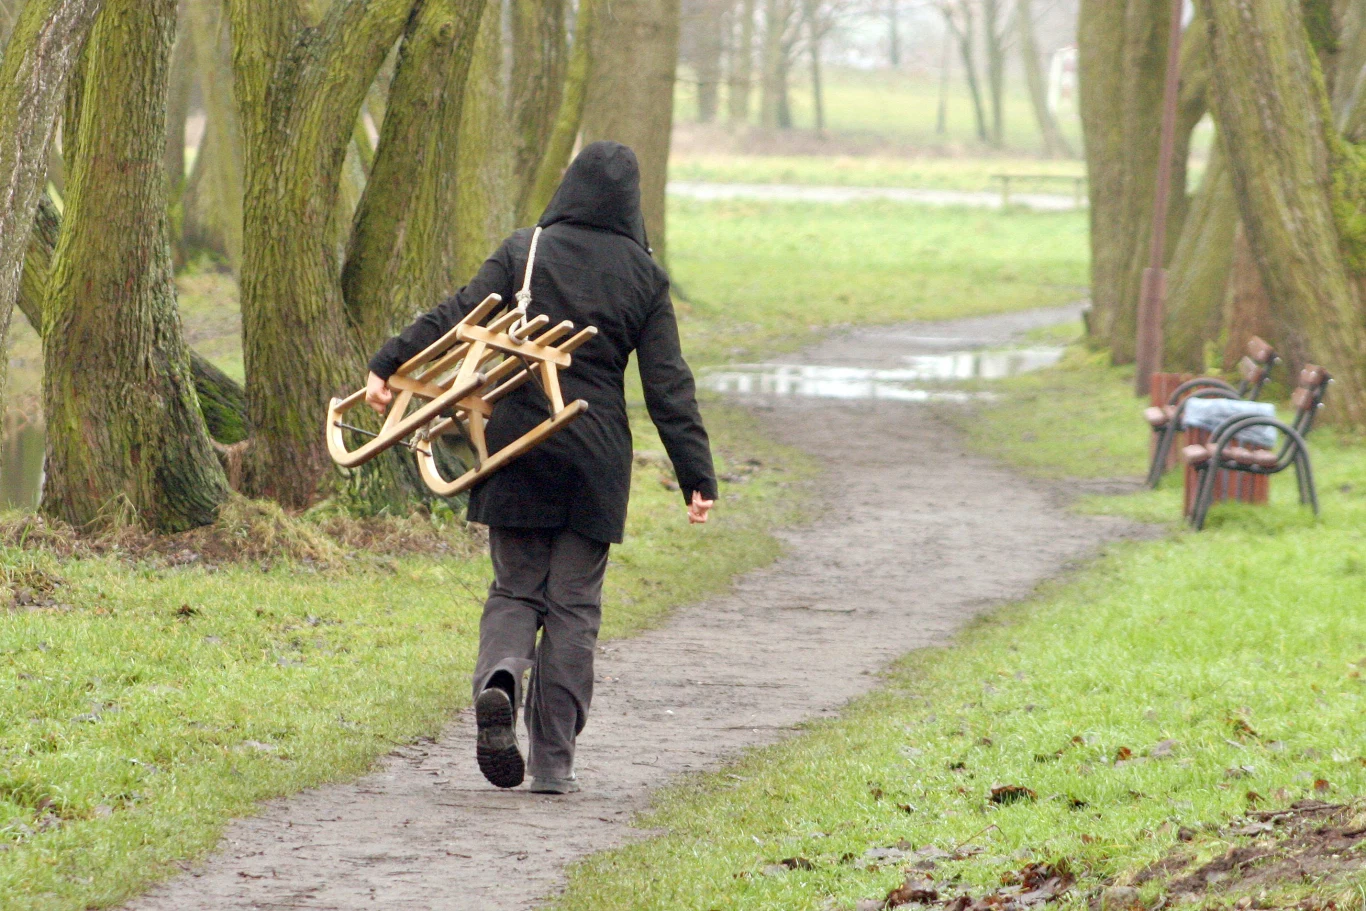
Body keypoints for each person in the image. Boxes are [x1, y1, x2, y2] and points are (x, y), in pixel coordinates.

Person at [364, 141, 717, 795]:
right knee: (574, 605)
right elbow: (668, 384)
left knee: (514, 589)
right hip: (596, 452)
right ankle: (554, 761)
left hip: (517, 441)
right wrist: (696, 473)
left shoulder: (525, 249)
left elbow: (456, 316)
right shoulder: (644, 276)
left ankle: (500, 675)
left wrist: (389, 361)